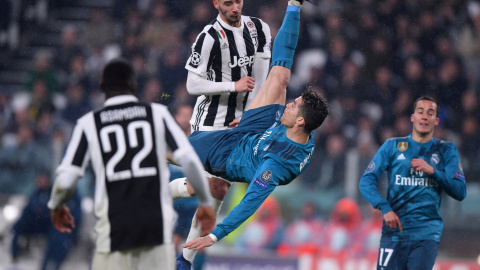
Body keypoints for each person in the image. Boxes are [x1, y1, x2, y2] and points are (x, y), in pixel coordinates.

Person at [171, 0, 327, 268]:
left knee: (184, 164)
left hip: (230, 155)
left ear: (299, 119)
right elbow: (282, 71)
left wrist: (216, 235)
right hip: (260, 132)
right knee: (279, 76)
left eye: (293, 105)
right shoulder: (297, 127)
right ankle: (294, 4)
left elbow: (250, 203)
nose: (289, 104)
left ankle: (180, 251)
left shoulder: (276, 165)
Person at [47, 58, 215, 270]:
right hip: (155, 228)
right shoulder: (157, 114)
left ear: (102, 87)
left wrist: (56, 206)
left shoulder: (89, 123)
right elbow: (189, 160)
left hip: (114, 229)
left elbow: (68, 174)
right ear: (134, 86)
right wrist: (207, 204)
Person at [359, 96, 467, 270]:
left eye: (430, 113)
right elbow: (366, 181)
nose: (425, 116)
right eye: (420, 112)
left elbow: (460, 191)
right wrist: (384, 207)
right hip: (394, 232)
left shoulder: (446, 150)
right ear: (412, 117)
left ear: (436, 121)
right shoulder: (392, 146)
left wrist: (433, 171)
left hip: (426, 233)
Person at [185, 0, 272, 131]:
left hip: (244, 121)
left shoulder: (258, 27)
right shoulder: (208, 37)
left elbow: (259, 79)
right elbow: (192, 85)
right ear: (216, 4)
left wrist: (248, 114)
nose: (235, 8)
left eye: (238, 2)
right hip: (210, 125)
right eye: (228, 3)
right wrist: (233, 86)